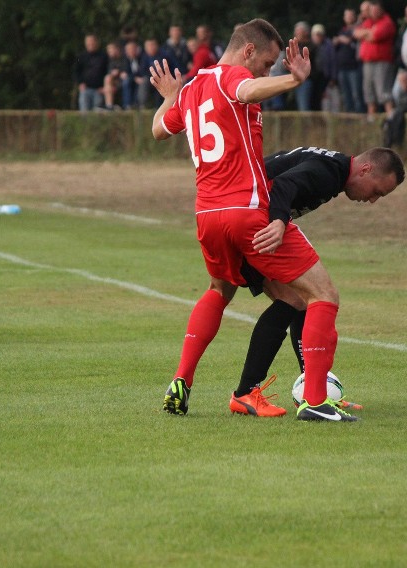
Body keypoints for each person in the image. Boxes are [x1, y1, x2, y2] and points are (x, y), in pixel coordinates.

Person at [150, 19, 353, 422]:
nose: (266, 71)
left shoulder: (189, 89)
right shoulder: (234, 77)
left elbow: (158, 129)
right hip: (247, 212)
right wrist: (293, 81)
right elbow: (246, 89)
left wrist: (170, 97)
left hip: (207, 215)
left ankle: (181, 380)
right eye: (266, 62)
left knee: (219, 291)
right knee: (323, 294)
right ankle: (315, 401)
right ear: (246, 52)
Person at [230, 146, 406, 417]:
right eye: (377, 191)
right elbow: (282, 184)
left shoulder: (330, 166)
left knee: (299, 299)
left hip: (233, 213)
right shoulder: (328, 171)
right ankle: (272, 394)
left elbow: (275, 165)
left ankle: (311, 390)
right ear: (366, 169)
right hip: (246, 220)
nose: (373, 200)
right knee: (316, 296)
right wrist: (278, 220)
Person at [354, 0, 398, 121]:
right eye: (370, 11)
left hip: (382, 62)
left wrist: (367, 34)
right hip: (368, 62)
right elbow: (356, 33)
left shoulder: (387, 22)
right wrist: (368, 32)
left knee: (383, 90)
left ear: (381, 10)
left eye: (374, 10)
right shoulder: (368, 22)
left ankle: (391, 117)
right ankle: (371, 118)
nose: (372, 13)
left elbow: (374, 36)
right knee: (369, 90)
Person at [333, 8, 366, 113]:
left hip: (354, 68)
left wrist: (344, 40)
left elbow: (352, 42)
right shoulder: (342, 31)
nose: (349, 17)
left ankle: (360, 117)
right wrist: (336, 42)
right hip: (342, 68)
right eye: (347, 15)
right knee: (346, 95)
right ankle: (349, 119)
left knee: (357, 94)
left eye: (351, 15)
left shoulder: (358, 29)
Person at [73, 34, 108, 112]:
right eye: (88, 42)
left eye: (92, 42)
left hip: (99, 90)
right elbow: (76, 72)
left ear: (97, 43)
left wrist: (104, 86)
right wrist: (80, 83)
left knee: (97, 113)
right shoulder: (81, 56)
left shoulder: (104, 56)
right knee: (84, 112)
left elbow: (107, 71)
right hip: (85, 89)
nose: (90, 44)